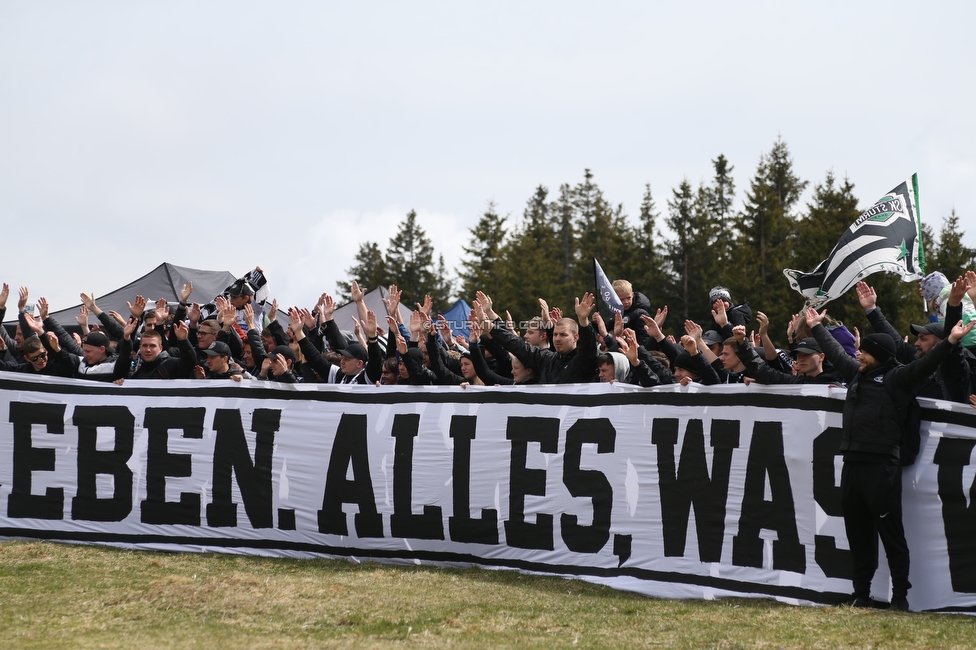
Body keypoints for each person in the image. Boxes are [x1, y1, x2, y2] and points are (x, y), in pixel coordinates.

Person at [806, 306, 976, 611]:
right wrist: (817, 326)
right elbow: (834, 353)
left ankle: (900, 596)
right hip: (852, 464)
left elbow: (928, 365)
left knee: (891, 533)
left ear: (879, 355)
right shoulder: (856, 374)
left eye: (866, 352)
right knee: (858, 534)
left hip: (881, 467)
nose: (858, 354)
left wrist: (949, 341)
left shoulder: (898, 379)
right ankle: (861, 593)